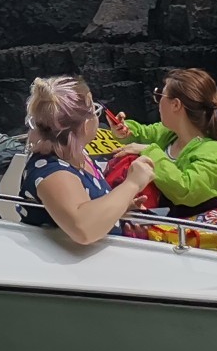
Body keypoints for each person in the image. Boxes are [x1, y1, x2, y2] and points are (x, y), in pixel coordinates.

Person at [17, 75, 155, 244]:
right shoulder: (52, 172)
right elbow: (83, 228)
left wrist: (121, 206)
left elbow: (88, 204)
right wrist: (133, 183)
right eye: (94, 110)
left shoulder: (76, 156)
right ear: (84, 124)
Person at [102, 68, 217, 215]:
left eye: (160, 95)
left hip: (184, 230)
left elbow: (186, 191)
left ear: (176, 105)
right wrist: (124, 129)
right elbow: (142, 133)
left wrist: (149, 152)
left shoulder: (214, 152)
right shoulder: (169, 134)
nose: (157, 102)